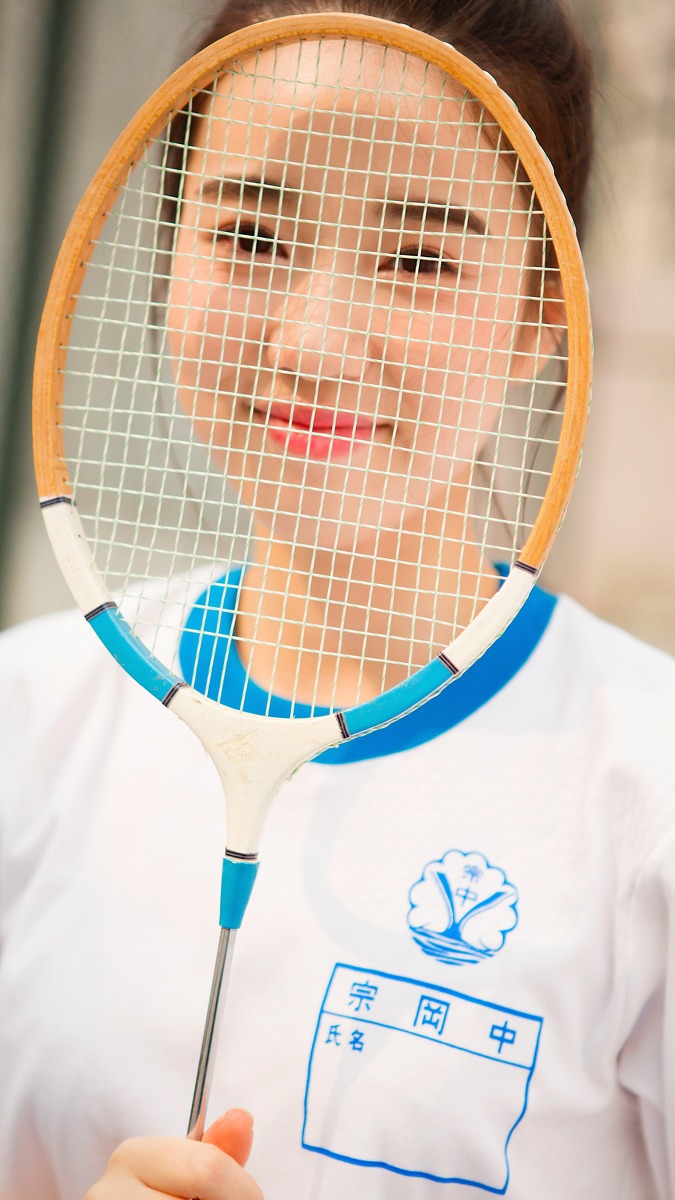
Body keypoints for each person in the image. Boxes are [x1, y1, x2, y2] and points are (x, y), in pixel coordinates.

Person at [1, 1, 674, 1198]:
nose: (313, 343)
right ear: (168, 257)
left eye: (420, 260)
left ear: (539, 320)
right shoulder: (28, 720)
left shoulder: (649, 791)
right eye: (252, 235)